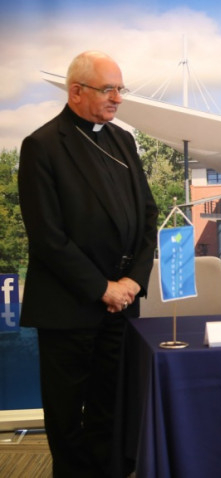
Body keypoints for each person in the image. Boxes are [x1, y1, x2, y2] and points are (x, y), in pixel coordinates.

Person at [18, 51, 158, 477]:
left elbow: (148, 215)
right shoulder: (42, 146)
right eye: (108, 89)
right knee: (68, 417)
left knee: (112, 409)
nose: (118, 98)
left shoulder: (124, 140)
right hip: (70, 308)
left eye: (120, 89)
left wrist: (133, 280)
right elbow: (48, 237)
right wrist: (102, 288)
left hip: (122, 306)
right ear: (76, 91)